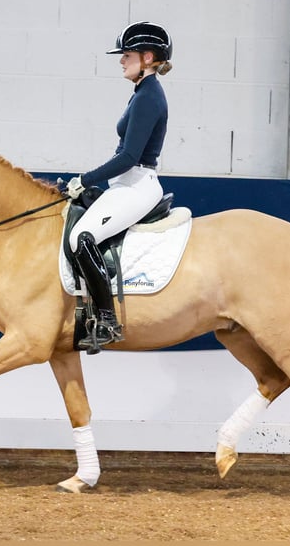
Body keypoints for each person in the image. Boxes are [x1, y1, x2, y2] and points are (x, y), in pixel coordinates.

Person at [64, 21, 173, 352]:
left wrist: (85, 179)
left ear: (148, 57)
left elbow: (128, 157)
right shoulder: (141, 93)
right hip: (127, 183)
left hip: (138, 183)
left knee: (82, 238)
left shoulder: (149, 96)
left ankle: (107, 321)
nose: (121, 61)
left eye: (126, 55)